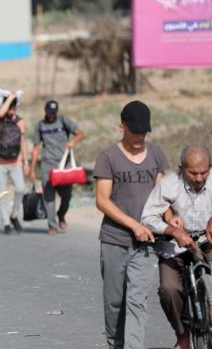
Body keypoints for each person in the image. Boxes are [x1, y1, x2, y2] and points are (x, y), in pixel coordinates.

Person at [94, 100, 169, 349]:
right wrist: (133, 225)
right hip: (114, 240)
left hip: (146, 242)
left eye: (143, 132)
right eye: (134, 131)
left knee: (137, 300)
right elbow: (102, 201)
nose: (139, 137)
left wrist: (171, 219)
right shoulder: (108, 157)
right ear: (121, 127)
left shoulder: (156, 154)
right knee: (114, 303)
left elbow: (162, 197)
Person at [141, 145, 212, 349]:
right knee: (168, 289)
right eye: (193, 173)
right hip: (175, 247)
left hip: (207, 242)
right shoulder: (169, 184)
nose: (199, 178)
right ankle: (182, 335)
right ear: (181, 168)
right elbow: (148, 217)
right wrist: (172, 231)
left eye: (204, 172)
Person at [29, 100, 86, 235]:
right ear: (45, 112)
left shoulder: (64, 121)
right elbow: (36, 148)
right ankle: (52, 225)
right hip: (47, 165)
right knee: (48, 197)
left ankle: (61, 214)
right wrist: (32, 170)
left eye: (54, 113)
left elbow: (81, 134)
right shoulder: (40, 126)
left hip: (64, 165)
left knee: (67, 196)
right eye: (49, 113)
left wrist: (72, 142)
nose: (51, 116)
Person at [0, 91, 27, 235]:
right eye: (8, 107)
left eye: (13, 107)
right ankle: (6, 223)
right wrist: (10, 97)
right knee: (2, 193)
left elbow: (22, 141)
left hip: (15, 161)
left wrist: (26, 162)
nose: (11, 110)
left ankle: (14, 214)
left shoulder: (20, 121)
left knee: (20, 188)